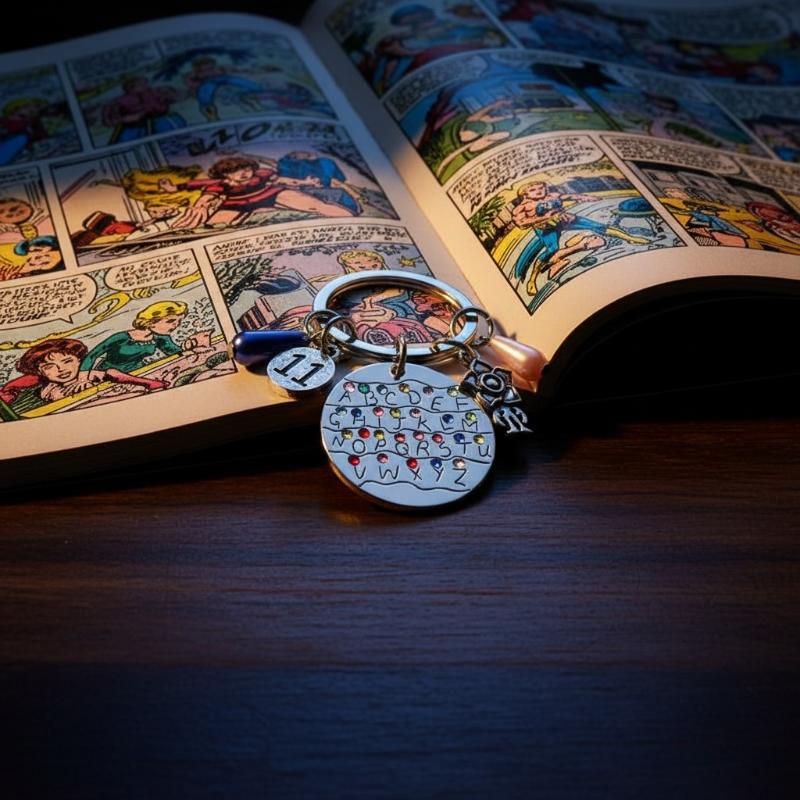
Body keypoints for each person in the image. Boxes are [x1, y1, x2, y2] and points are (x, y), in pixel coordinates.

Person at [512, 180, 648, 290]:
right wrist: (545, 218)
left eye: (541, 188)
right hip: (547, 228)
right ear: (525, 194)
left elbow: (569, 196)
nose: (538, 191)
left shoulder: (552, 196)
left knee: (598, 226)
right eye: (533, 190)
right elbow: (521, 223)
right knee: (552, 250)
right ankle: (532, 280)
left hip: (565, 219)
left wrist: (584, 197)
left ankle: (631, 238)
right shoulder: (523, 207)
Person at [158, 155, 355, 228]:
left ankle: (349, 219)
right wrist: (200, 206)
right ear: (226, 174)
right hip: (236, 204)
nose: (244, 173)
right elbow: (203, 192)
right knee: (212, 224)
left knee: (314, 205)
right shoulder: (219, 184)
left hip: (270, 194)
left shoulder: (261, 174)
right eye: (237, 171)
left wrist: (304, 182)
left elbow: (281, 180)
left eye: (246, 169)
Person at [0, 338, 165, 409]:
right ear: (40, 371)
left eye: (67, 361)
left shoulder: (87, 373)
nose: (61, 369)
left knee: (111, 372)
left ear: (79, 361)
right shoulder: (49, 389)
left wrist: (87, 381)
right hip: (86, 407)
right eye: (50, 366)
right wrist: (78, 389)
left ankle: (146, 383)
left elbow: (108, 374)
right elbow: (57, 397)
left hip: (110, 395)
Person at [79, 300, 209, 374]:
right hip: (107, 374)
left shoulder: (161, 338)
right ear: (151, 322)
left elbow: (175, 352)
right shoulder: (121, 337)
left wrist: (194, 349)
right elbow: (92, 355)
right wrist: (83, 378)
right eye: (170, 321)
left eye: (179, 321)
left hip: (139, 371)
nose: (176, 325)